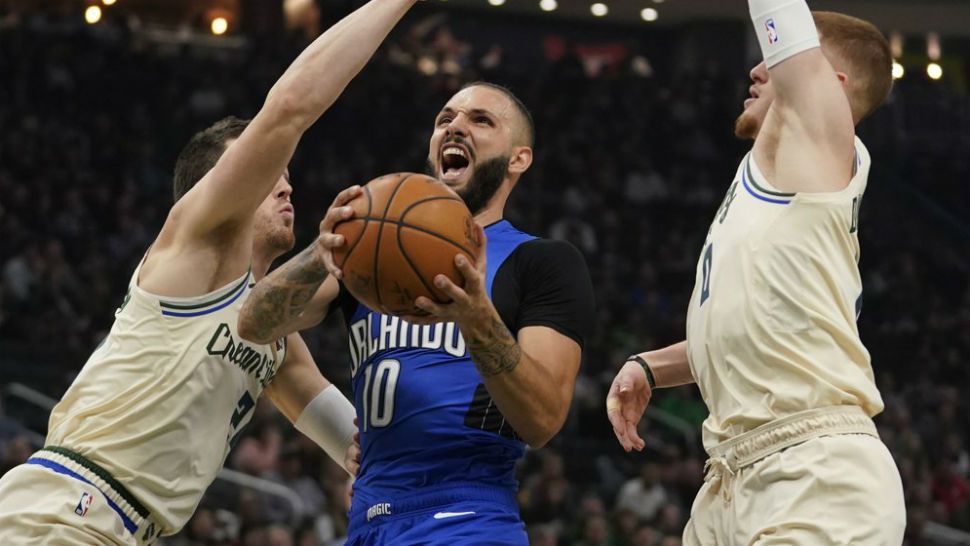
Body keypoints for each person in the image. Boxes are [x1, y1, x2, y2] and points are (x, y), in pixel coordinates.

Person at [0, 1, 417, 543]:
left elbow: (342, 431)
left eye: (289, 176)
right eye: (270, 176)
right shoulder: (195, 243)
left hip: (116, 526)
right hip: (65, 510)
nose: (287, 186)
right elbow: (291, 106)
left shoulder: (272, 335)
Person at [238, 81, 596, 544]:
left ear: (518, 158)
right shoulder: (370, 246)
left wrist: (475, 317)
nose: (455, 128)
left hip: (468, 516)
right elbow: (254, 324)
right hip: (367, 521)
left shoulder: (543, 261)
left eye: (480, 120)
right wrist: (318, 251)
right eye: (445, 119)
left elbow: (543, 420)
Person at [606, 3, 906, 545]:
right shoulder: (772, 187)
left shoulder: (816, 147)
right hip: (729, 477)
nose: (756, 68)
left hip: (815, 470)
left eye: (774, 55)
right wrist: (652, 366)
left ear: (827, 86)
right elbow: (750, 327)